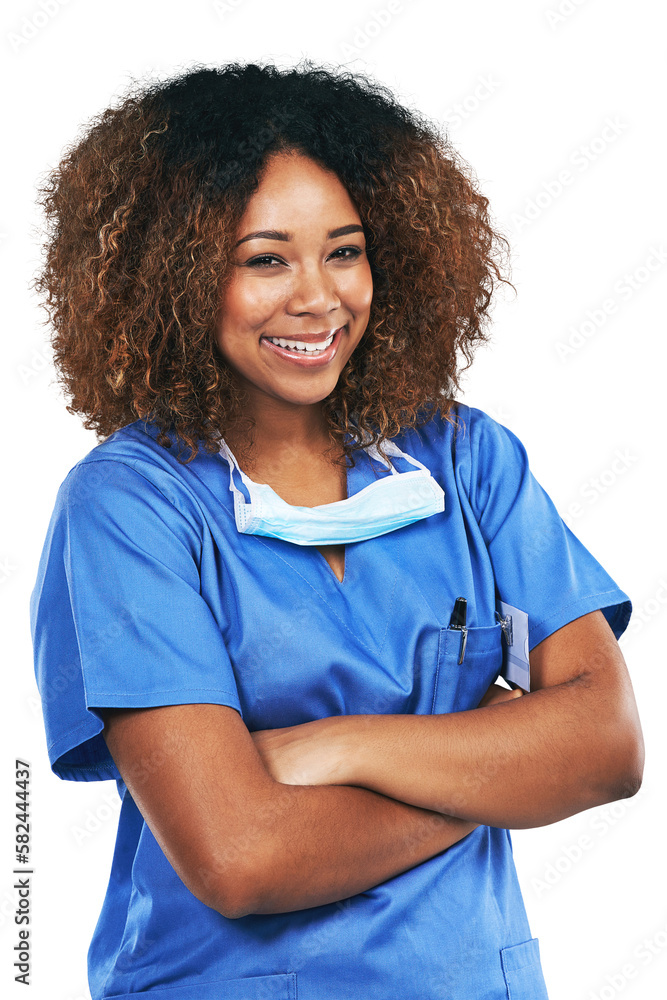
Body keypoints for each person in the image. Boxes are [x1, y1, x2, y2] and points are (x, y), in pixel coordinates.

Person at [29, 60, 644, 1000]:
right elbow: (241, 857)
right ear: (175, 277)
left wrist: (340, 747)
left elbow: (605, 749)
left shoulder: (466, 461)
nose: (317, 298)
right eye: (265, 259)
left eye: (345, 251)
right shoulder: (129, 508)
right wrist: (493, 767)